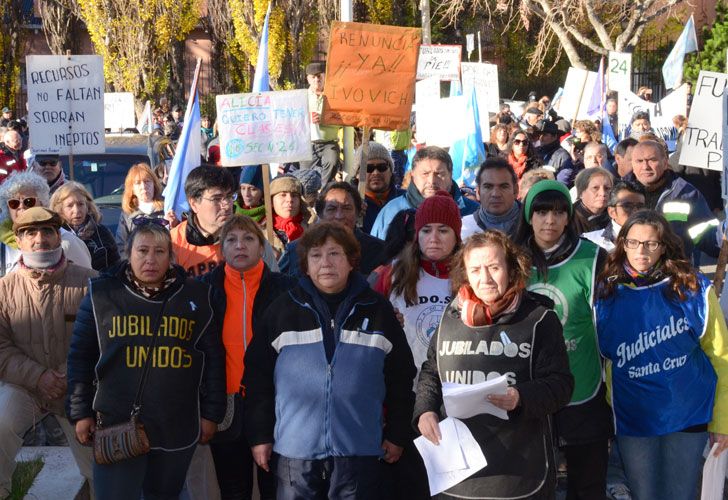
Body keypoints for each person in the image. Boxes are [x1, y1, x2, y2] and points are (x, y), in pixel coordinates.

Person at [243, 222, 416, 499]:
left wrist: (396, 434)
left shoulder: (378, 310)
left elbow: (401, 377)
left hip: (359, 453)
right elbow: (257, 379)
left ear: (351, 262)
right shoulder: (282, 311)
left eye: (335, 253)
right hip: (294, 455)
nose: (325, 263)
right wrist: (260, 435)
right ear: (305, 265)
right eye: (315, 255)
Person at [66, 222, 226, 500]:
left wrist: (212, 413)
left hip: (176, 423)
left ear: (170, 257)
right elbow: (80, 357)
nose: (150, 259)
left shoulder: (196, 297)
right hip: (116, 422)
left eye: (159, 251)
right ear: (128, 253)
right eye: (142, 250)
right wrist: (81, 412)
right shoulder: (101, 294)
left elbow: (213, 360)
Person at [415, 230, 574, 499]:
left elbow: (561, 385)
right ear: (464, 274)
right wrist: (424, 410)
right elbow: (432, 371)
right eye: (475, 269)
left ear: (512, 269)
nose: (485, 278)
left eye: (494, 267)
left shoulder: (539, 318)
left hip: (519, 472)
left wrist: (520, 397)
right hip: (458, 472)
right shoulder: (451, 316)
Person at [594, 210, 728, 500]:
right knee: (645, 495)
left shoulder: (693, 290)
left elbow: (721, 358)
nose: (641, 251)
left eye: (651, 243)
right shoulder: (606, 293)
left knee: (679, 494)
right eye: (633, 242)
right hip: (634, 418)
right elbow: (600, 358)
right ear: (623, 244)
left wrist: (722, 421)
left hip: (687, 416)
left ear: (664, 245)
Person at [514, 180, 613, 500]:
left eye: (558, 212)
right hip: (531, 388)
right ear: (529, 216)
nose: (550, 220)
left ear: (569, 217)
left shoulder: (592, 256)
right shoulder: (511, 259)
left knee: (586, 484)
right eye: (541, 211)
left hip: (583, 388)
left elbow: (610, 323)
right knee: (533, 486)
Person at [0, 207, 96, 499]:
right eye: (30, 232)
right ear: (19, 240)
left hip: (77, 388)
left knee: (99, 466)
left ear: (58, 237)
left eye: (46, 231)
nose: (39, 238)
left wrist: (69, 375)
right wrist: (39, 376)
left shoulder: (91, 282)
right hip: (25, 385)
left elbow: (103, 338)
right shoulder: (4, 290)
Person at [200, 215, 295, 500]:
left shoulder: (286, 288)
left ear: (262, 246)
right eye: (231, 239)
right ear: (221, 249)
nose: (240, 245)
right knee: (233, 490)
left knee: (274, 488)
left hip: (273, 405)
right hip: (225, 404)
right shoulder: (205, 289)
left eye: (249, 238)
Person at [625, 140, 719, 259]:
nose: (645, 166)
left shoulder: (686, 194)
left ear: (665, 163)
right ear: (632, 164)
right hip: (628, 273)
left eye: (652, 160)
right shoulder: (619, 193)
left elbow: (709, 238)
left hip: (673, 271)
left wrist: (723, 233)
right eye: (639, 161)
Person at [280, 181, 385, 278]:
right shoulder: (296, 251)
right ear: (320, 213)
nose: (339, 216)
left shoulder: (379, 251)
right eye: (332, 209)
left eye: (347, 208)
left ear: (358, 213)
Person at [371, 146, 479, 239]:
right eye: (425, 174)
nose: (431, 181)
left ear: (450, 176)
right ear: (413, 176)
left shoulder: (472, 212)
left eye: (439, 174)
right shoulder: (392, 212)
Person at [0, 170, 92, 275]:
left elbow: (87, 282)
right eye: (14, 203)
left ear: (43, 203)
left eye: (29, 201)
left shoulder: (67, 241)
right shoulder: (2, 243)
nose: (21, 207)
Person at [170, 165, 239, 277]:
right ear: (194, 204)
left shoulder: (248, 235)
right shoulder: (173, 244)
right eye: (216, 199)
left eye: (230, 196)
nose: (226, 205)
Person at [50, 182, 120, 271]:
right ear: (60, 210)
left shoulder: (102, 232)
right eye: (70, 205)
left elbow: (117, 266)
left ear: (87, 206)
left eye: (80, 204)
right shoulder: (55, 235)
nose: (76, 210)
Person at [116, 162, 176, 258]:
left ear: (154, 184)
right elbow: (121, 246)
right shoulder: (127, 214)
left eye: (147, 181)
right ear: (132, 189)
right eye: (138, 183)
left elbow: (177, 243)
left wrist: (174, 226)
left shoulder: (167, 209)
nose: (143, 186)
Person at [299, 61, 342, 184]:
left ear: (325, 77)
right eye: (313, 77)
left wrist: (325, 119)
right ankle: (309, 197)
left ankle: (323, 191)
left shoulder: (334, 96)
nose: (316, 79)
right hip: (307, 143)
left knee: (332, 162)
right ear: (308, 79)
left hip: (329, 142)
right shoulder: (301, 96)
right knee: (305, 177)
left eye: (319, 76)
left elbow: (343, 120)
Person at [461, 159, 521, 239]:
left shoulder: (533, 224)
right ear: (478, 192)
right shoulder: (464, 228)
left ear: (515, 190)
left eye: (504, 187)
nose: (496, 194)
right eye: (488, 187)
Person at [582, 180, 646, 252]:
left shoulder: (653, 240)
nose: (635, 211)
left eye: (640, 206)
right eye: (627, 206)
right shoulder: (589, 241)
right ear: (612, 212)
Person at [359, 142, 404, 234]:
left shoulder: (406, 199)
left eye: (382, 167)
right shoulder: (351, 205)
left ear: (391, 171)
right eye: (369, 168)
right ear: (357, 174)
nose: (376, 173)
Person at [267, 175, 312, 256]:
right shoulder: (259, 233)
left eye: (294, 195)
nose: (289, 200)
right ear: (271, 201)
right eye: (283, 195)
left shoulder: (314, 229)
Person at [573, 167, 614, 235]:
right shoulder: (568, 219)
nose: (603, 193)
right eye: (595, 188)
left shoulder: (616, 216)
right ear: (580, 193)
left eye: (607, 188)